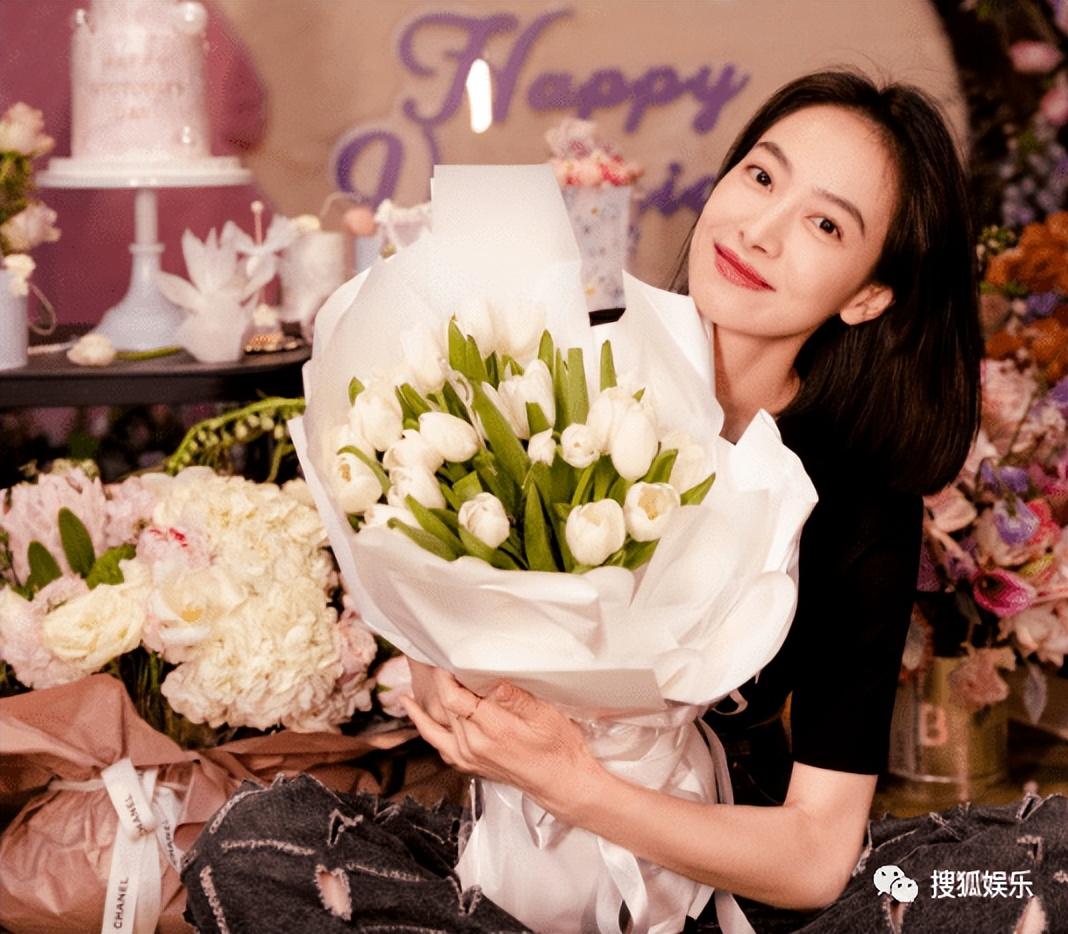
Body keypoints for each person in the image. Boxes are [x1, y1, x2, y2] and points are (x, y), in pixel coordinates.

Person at [181, 71, 987, 932]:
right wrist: (435, 662)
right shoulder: (565, 360)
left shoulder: (860, 497)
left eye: (825, 224)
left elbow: (817, 855)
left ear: (868, 293)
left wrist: (575, 784)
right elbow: (438, 570)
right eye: (760, 176)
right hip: (505, 850)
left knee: (1013, 878)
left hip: (713, 869)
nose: (760, 230)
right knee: (249, 850)